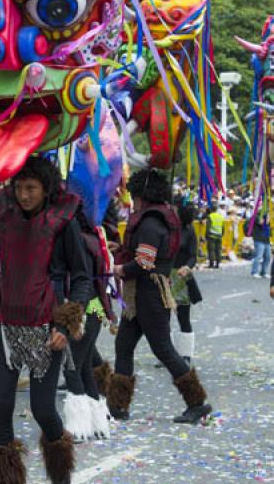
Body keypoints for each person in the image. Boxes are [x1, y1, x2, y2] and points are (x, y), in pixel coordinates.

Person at [0, 157, 92, 484]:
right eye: (19, 187)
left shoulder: (63, 223)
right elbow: (0, 272)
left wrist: (64, 325)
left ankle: (60, 479)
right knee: (0, 405)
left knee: (42, 408)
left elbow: (83, 278)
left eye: (32, 188)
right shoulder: (6, 220)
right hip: (7, 324)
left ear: (46, 189)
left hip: (46, 327)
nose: (24, 195)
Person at [109, 169, 212, 425]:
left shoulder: (150, 223)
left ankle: (197, 402)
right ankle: (118, 406)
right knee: (123, 345)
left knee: (163, 348)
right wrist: (121, 250)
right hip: (142, 294)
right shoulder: (156, 219)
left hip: (149, 293)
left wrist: (121, 268)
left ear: (141, 195)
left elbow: (144, 261)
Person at [61, 206, 112, 442]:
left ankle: (79, 427)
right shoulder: (94, 237)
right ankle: (98, 423)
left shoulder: (77, 241)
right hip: (95, 308)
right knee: (82, 366)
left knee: (72, 365)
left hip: (82, 309)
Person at [170, 203, 202, 365]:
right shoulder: (167, 227)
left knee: (183, 318)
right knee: (162, 318)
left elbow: (192, 256)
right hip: (164, 277)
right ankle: (166, 353)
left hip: (181, 278)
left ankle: (185, 355)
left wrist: (187, 267)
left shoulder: (189, 231)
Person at [249, 212, 271, 279]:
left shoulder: (266, 217)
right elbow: (262, 223)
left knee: (268, 257)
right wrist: (267, 219)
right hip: (259, 239)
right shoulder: (256, 217)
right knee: (258, 256)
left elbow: (267, 226)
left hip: (266, 240)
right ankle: (254, 272)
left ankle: (263, 272)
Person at [205, 202, 224, 268]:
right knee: (218, 250)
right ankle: (218, 264)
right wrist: (222, 234)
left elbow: (208, 227)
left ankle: (211, 264)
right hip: (219, 235)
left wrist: (206, 236)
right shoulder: (220, 216)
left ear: (211, 209)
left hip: (212, 236)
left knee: (211, 250)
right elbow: (223, 227)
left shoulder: (210, 216)